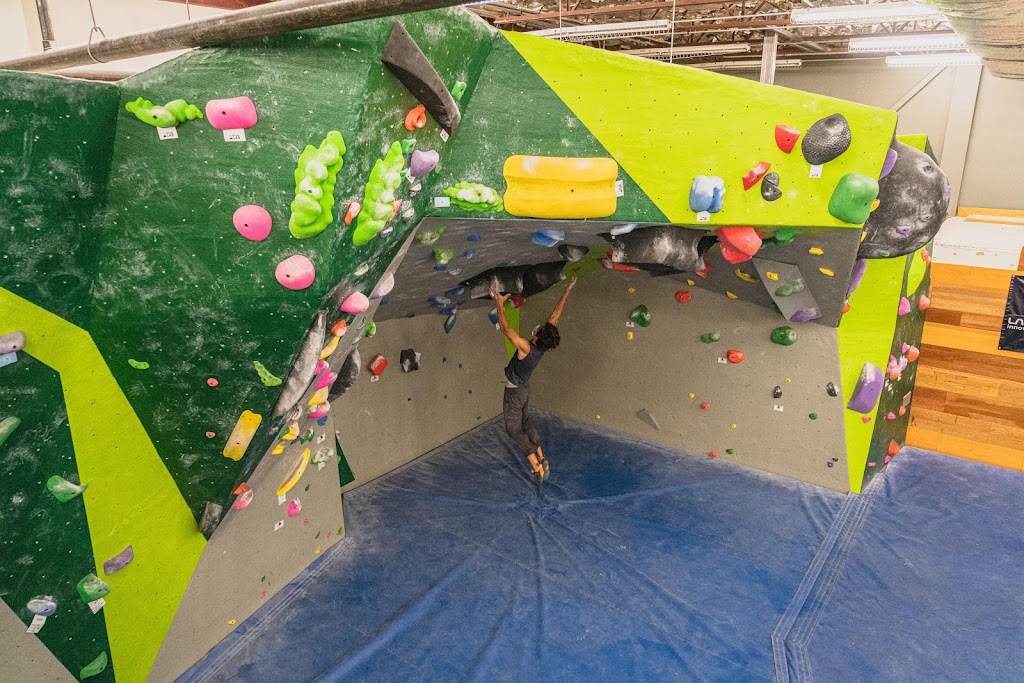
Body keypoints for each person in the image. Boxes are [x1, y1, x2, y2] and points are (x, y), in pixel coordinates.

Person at [490, 278, 576, 482]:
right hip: (524, 390)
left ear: (537, 336)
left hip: (515, 393)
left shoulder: (526, 348)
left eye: (538, 330)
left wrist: (499, 304)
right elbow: (555, 315)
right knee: (526, 423)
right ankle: (541, 457)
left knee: (514, 430)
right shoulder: (542, 346)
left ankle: (536, 467)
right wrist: (567, 291)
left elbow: (506, 329)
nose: (538, 329)